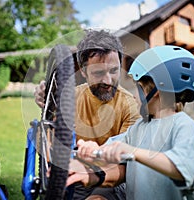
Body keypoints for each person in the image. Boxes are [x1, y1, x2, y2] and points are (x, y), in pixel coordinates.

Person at [66, 45, 194, 200]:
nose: (134, 96)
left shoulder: (182, 125)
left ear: (158, 90)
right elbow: (113, 148)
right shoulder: (139, 128)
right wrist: (93, 150)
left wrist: (133, 152)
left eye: (139, 88)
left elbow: (182, 168)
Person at [34, 29, 141, 199]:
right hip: (73, 172)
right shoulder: (71, 97)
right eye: (98, 73)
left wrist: (92, 171)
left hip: (109, 178)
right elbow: (50, 138)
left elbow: (124, 167)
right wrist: (47, 99)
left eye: (113, 71)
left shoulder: (130, 106)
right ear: (83, 72)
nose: (107, 81)